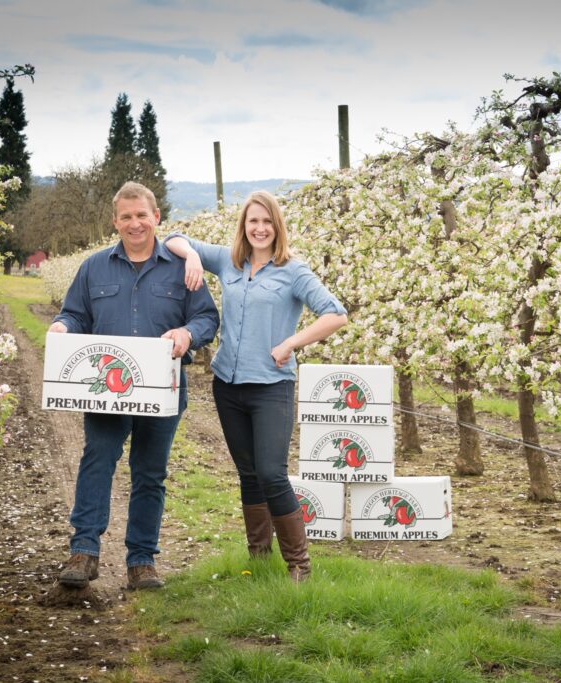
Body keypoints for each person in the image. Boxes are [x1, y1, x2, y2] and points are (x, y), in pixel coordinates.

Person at [164, 190, 347, 582]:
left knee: (271, 472)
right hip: (228, 384)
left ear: (276, 226)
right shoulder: (228, 263)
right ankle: (259, 558)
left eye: (267, 222)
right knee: (248, 473)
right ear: (244, 227)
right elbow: (173, 237)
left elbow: (336, 313)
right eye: (253, 222)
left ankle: (299, 565)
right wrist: (193, 255)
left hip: (271, 387)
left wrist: (291, 343)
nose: (260, 228)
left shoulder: (293, 271)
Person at [49, 182, 219, 590]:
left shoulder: (183, 268)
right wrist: (62, 326)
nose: (135, 223)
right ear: (115, 222)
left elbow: (207, 319)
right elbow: (75, 314)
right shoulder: (93, 267)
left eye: (142, 215)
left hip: (163, 388)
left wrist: (186, 333)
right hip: (107, 388)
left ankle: (141, 560)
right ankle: (84, 551)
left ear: (156, 217)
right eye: (126, 217)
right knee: (98, 460)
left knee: (149, 472)